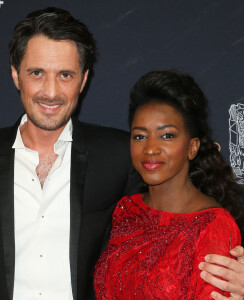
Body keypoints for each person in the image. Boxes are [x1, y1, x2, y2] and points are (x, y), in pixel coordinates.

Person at [0, 8, 243, 300]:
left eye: (65, 75)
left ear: (84, 80)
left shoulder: (118, 154)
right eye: (37, 73)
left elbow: (184, 219)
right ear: (15, 74)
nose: (50, 92)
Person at [94, 70, 244, 299]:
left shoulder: (212, 226)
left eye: (167, 136)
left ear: (192, 147)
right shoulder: (126, 210)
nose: (150, 148)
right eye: (140, 136)